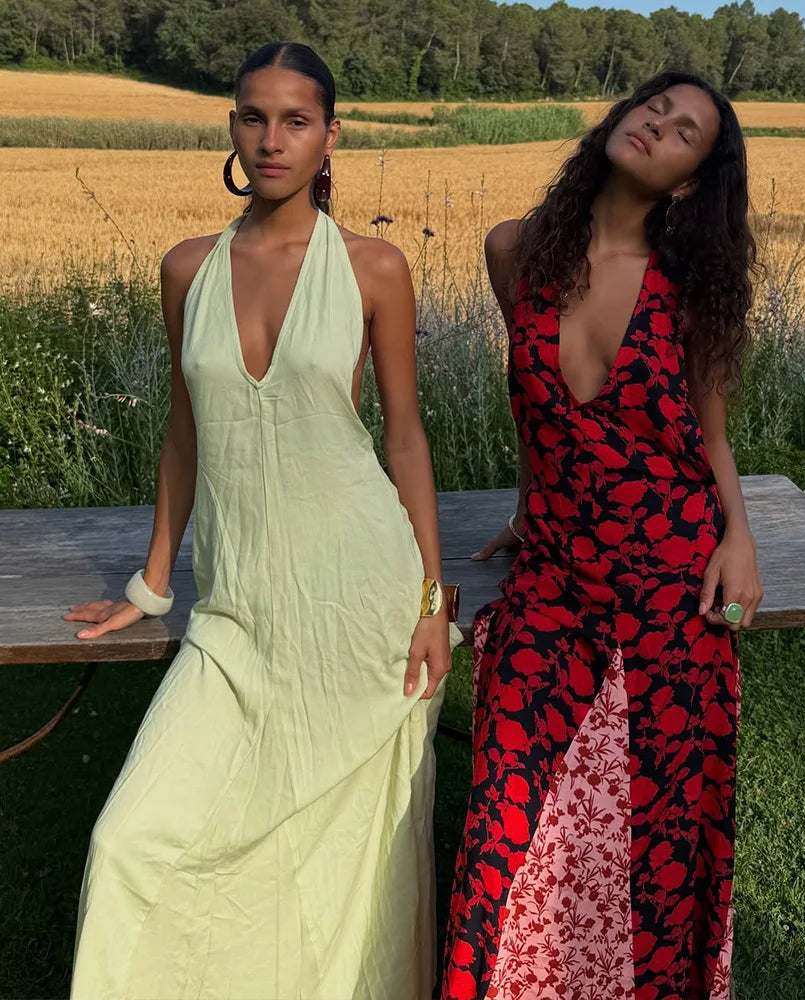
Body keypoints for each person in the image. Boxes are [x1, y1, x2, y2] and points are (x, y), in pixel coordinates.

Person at [64, 41, 461, 999]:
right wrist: (153, 585)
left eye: (295, 120)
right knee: (129, 841)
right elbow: (184, 432)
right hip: (236, 614)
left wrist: (431, 599)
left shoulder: (376, 268)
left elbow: (405, 439)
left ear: (332, 134)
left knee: (347, 862)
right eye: (253, 116)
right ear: (231, 128)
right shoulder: (186, 268)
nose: (272, 138)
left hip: (358, 602)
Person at [441, 70, 763, 1000]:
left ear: (693, 181)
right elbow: (534, 416)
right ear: (620, 120)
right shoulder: (515, 253)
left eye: (686, 132)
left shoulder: (691, 289)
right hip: (553, 580)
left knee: (660, 834)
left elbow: (709, 435)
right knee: (506, 822)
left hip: (673, 578)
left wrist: (737, 534)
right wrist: (524, 507)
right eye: (653, 109)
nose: (658, 127)